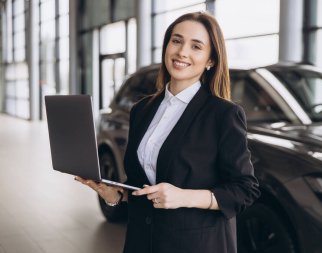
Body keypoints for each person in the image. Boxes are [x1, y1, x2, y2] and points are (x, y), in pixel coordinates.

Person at [76, 11, 260, 253]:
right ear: (166, 47)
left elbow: (245, 190)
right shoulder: (142, 109)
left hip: (196, 244)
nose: (182, 51)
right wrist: (116, 194)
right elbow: (143, 182)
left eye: (196, 46)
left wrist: (184, 197)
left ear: (210, 60)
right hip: (143, 241)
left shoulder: (223, 114)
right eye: (176, 40)